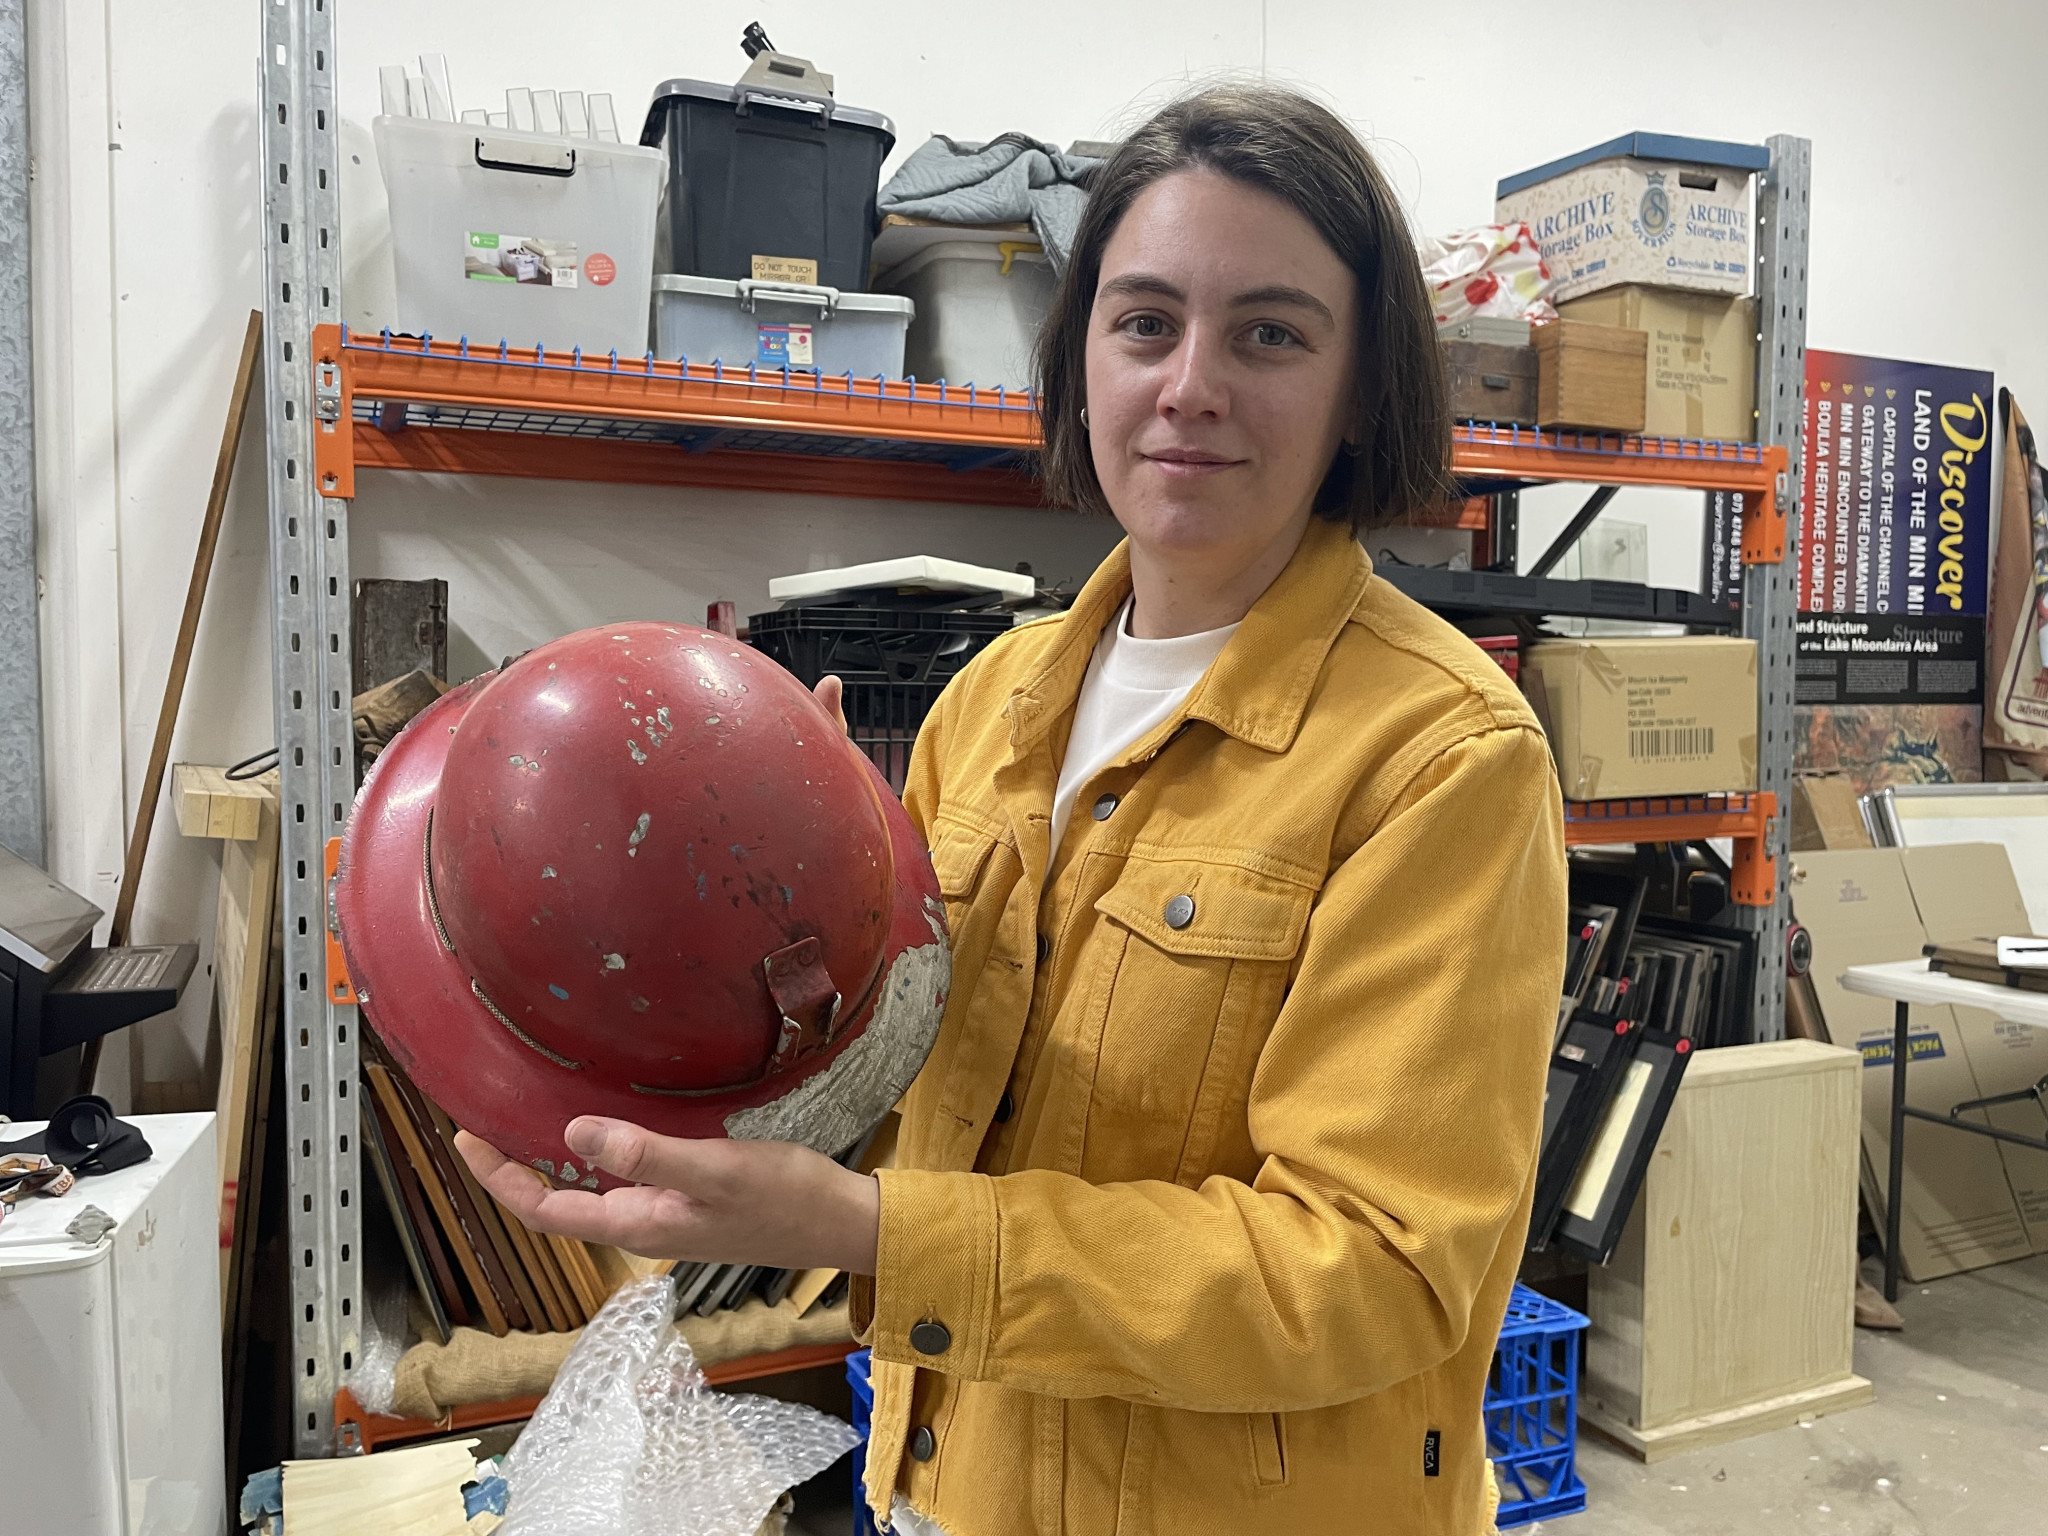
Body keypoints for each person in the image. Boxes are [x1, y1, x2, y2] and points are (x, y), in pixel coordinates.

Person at [461, 83, 1567, 1535]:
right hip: (948, 1481)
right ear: (1083, 354)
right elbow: (905, 1085)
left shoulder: (1442, 757)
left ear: (1363, 386)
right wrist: (761, 941)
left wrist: (866, 1234)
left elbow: (1373, 1271)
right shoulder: (990, 705)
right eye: (1145, 321)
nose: (1191, 385)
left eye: (1272, 334)